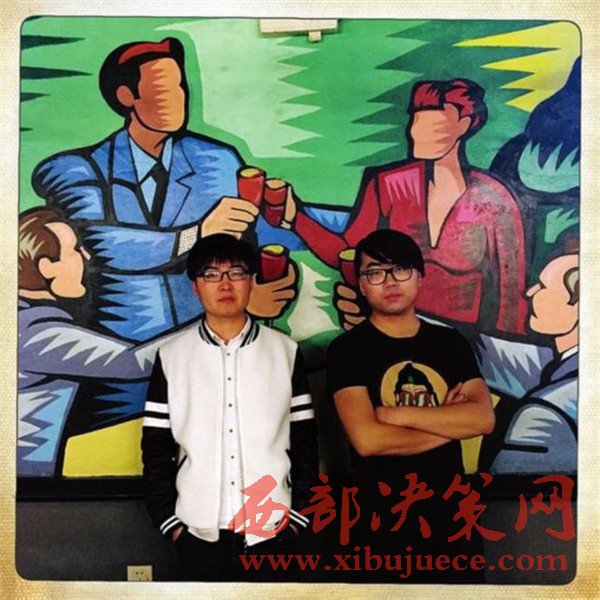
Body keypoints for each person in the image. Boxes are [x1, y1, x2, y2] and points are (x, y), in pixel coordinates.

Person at [32, 37, 296, 343]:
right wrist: (196, 234)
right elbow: (96, 240)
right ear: (126, 96)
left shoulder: (216, 160)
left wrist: (256, 286)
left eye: (179, 86)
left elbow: (252, 234)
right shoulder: (76, 169)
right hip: (118, 352)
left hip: (207, 347)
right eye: (162, 89)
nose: (177, 98)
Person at [283, 79, 527, 334]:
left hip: (467, 343)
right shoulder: (387, 184)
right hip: (392, 334)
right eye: (416, 123)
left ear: (463, 125)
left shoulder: (495, 200)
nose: (416, 134)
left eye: (432, 126)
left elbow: (511, 298)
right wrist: (294, 219)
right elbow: (349, 252)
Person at [141, 234, 318, 581]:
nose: (225, 284)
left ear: (251, 281)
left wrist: (297, 521)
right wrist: (171, 525)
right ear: (196, 286)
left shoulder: (285, 352)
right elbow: (156, 449)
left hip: (273, 531)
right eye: (211, 274)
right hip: (197, 533)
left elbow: (305, 443)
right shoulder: (172, 356)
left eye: (236, 272)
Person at [327, 229, 494, 582]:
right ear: (361, 285)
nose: (390, 281)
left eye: (401, 269)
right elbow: (368, 440)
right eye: (375, 272)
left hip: (452, 516)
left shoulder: (450, 343)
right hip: (380, 519)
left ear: (420, 277)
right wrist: (450, 425)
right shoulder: (347, 350)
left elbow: (482, 419)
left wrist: (397, 415)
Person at [18, 208, 163, 477]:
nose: (86, 257)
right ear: (47, 267)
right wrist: (209, 327)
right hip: (28, 488)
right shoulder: (35, 332)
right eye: (75, 249)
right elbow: (133, 363)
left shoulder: (22, 321)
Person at [480, 251, 578, 474]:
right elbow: (482, 351)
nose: (529, 292)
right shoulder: (561, 362)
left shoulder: (545, 414)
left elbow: (511, 490)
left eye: (542, 286)